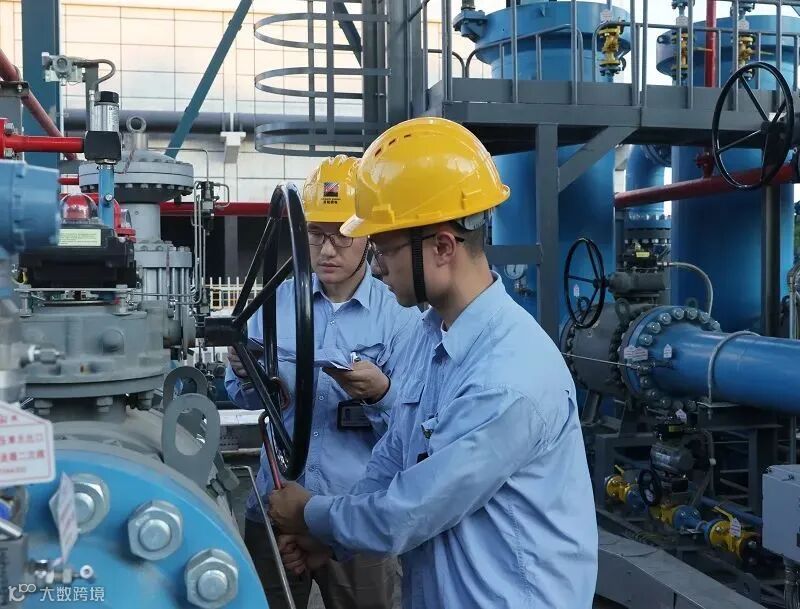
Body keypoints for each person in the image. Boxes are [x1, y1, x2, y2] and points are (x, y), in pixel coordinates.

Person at [268, 118, 599, 609]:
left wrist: (311, 514)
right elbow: (393, 457)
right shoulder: (431, 336)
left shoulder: (507, 376)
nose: (377, 265)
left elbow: (412, 509)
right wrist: (332, 539)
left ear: (443, 247)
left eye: (385, 248)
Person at [225, 155, 419, 609]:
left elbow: (415, 426)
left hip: (354, 512)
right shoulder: (273, 302)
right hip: (274, 506)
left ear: (368, 235)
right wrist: (246, 375)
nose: (328, 250)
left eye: (343, 234)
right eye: (316, 234)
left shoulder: (400, 316)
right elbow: (244, 398)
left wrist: (381, 395)